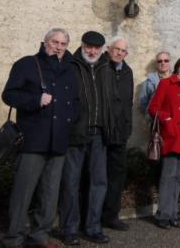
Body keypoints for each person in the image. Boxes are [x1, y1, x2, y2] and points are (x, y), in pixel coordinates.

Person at [2, 28, 80, 248]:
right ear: (45, 42)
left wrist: (71, 119)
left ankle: (40, 236)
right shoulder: (27, 64)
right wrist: (36, 99)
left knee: (50, 193)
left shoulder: (70, 70)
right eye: (54, 42)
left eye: (63, 43)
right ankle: (14, 239)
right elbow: (9, 94)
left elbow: (75, 102)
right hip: (33, 140)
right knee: (23, 192)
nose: (58, 47)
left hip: (59, 142)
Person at [59, 31, 110, 245]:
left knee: (98, 182)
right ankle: (69, 229)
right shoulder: (71, 64)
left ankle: (93, 227)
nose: (92, 51)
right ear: (82, 45)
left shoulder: (105, 67)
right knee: (71, 182)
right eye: (89, 47)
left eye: (97, 48)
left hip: (99, 134)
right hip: (76, 133)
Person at [148, 56, 180, 229]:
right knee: (168, 176)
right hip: (170, 137)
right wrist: (167, 120)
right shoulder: (166, 84)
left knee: (179, 178)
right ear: (177, 68)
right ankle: (163, 214)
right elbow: (153, 107)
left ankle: (173, 214)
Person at [101, 37, 134, 232]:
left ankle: (111, 215)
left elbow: (127, 103)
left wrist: (128, 126)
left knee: (117, 176)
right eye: (116, 49)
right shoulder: (100, 67)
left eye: (123, 50)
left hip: (120, 134)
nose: (119, 53)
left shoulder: (128, 71)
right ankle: (91, 216)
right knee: (95, 175)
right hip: (102, 132)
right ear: (109, 49)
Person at [139, 51, 172, 119]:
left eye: (166, 60)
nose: (163, 63)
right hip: (156, 121)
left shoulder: (177, 79)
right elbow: (143, 104)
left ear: (169, 62)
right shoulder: (149, 82)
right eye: (160, 61)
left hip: (173, 120)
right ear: (156, 64)